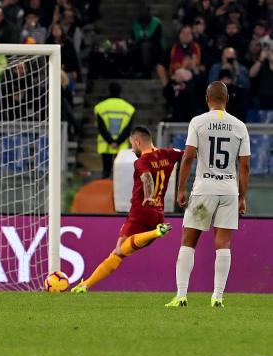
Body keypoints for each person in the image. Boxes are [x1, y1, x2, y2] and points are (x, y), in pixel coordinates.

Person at [165, 81, 250, 308]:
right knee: (223, 243)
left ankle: (181, 295)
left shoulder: (198, 122)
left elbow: (189, 156)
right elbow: (244, 166)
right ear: (227, 99)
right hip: (229, 191)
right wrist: (242, 196)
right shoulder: (239, 126)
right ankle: (218, 297)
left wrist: (181, 188)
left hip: (204, 191)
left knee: (188, 241)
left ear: (207, 98)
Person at [71, 126, 183, 293]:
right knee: (120, 251)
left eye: (132, 145)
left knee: (118, 252)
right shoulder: (168, 153)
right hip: (158, 214)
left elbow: (146, 178)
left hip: (140, 211)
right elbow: (188, 153)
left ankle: (85, 285)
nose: (132, 149)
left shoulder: (141, 162)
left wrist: (148, 196)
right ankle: (85, 285)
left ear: (138, 141)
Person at [95, 82, 135, 178]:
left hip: (105, 145)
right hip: (121, 145)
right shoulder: (129, 108)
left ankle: (104, 191)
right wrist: (118, 141)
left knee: (106, 171)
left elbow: (101, 128)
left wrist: (110, 141)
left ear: (109, 91)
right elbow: (128, 129)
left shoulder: (100, 107)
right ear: (120, 91)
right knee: (120, 174)